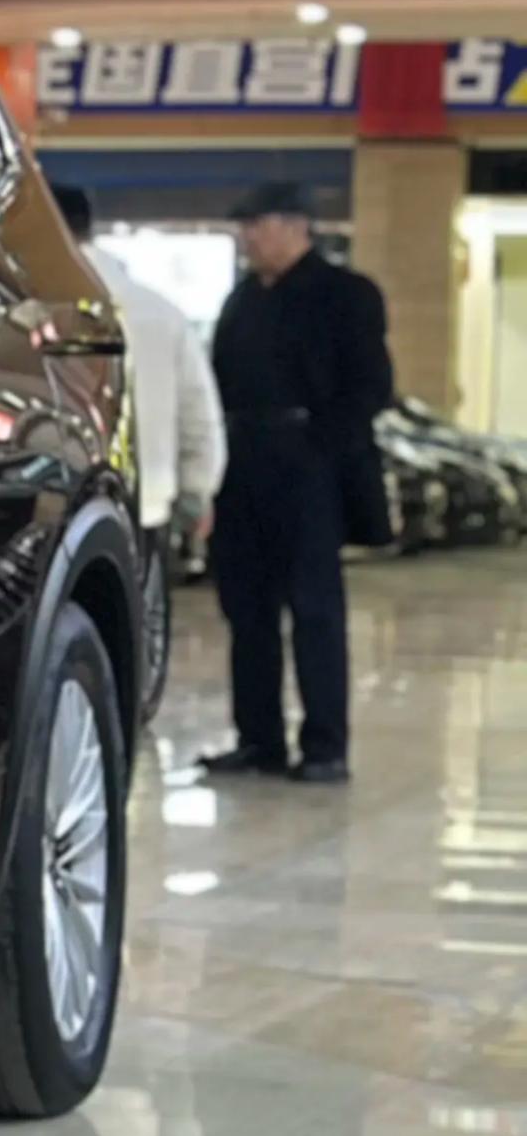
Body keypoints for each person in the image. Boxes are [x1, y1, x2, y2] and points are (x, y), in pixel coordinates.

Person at [202, 181, 391, 783]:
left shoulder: (346, 294)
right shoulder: (242, 300)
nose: (248, 238)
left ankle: (324, 746)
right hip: (242, 470)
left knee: (314, 610)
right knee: (247, 610)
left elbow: (370, 387)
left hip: (309, 471)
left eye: (256, 226)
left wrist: (320, 448)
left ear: (295, 226)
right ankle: (258, 739)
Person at [57, 183, 223, 555]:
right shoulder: (161, 312)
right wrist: (196, 493)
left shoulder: (26, 312)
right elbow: (198, 413)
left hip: (54, 513)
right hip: (148, 505)